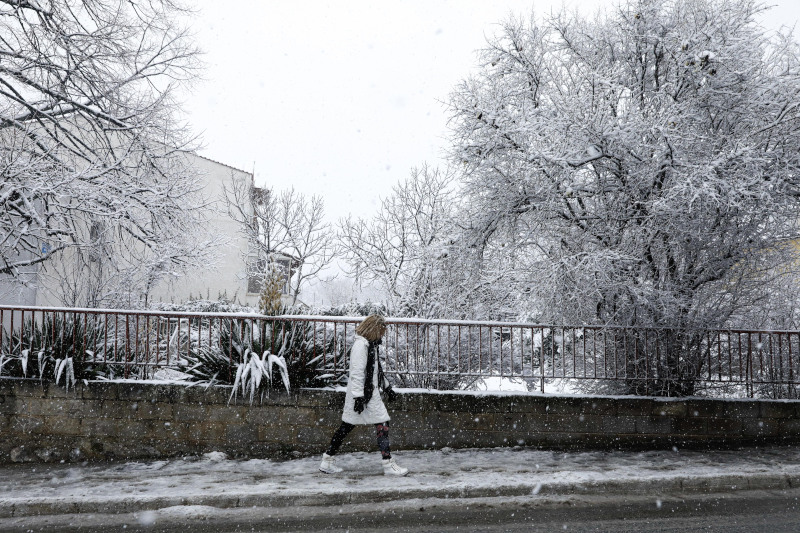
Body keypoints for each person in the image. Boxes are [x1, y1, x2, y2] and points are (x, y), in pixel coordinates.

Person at [319, 314, 408, 476]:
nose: (383, 335)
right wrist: (358, 398)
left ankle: (328, 460)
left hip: (369, 394)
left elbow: (376, 372)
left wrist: (387, 388)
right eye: (381, 331)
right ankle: (387, 464)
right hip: (362, 395)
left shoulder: (371, 345)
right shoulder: (361, 346)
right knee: (353, 425)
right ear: (374, 329)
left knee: (361, 424)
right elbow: (357, 373)